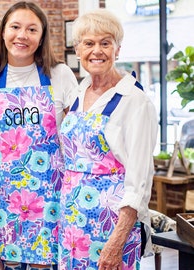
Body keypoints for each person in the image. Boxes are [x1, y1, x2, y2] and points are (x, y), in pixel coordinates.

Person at [0, 1, 78, 269]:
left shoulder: (60, 75)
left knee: (45, 265)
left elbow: (76, 135)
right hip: (4, 195)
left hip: (51, 194)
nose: (22, 35)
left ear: (42, 37)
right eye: (15, 27)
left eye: (32, 29)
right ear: (3, 32)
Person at [58, 9, 158, 270]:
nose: (97, 51)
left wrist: (117, 241)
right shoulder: (79, 93)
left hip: (110, 227)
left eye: (106, 43)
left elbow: (139, 182)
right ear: (78, 50)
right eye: (89, 43)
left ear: (118, 50)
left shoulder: (135, 101)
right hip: (72, 223)